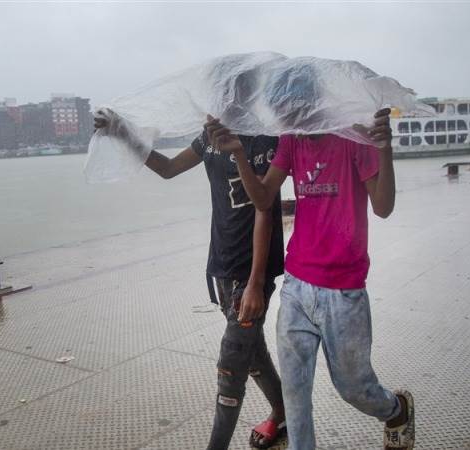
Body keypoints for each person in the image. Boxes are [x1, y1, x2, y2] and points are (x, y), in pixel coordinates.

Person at [204, 108, 415, 450]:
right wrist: (239, 153)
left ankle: (395, 408)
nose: (290, 123)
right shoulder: (291, 142)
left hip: (344, 291)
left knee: (353, 388)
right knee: (295, 392)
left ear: (317, 107)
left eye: (296, 113)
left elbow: (383, 206)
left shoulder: (353, 138)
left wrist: (385, 150)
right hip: (297, 286)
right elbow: (262, 198)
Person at [94, 110, 287, 449]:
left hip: (252, 270)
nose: (217, 105)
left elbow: (264, 208)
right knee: (251, 354)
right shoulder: (209, 137)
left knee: (231, 366)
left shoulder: (265, 138)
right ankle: (284, 412)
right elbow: (168, 169)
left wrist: (256, 283)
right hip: (222, 264)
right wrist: (123, 134)